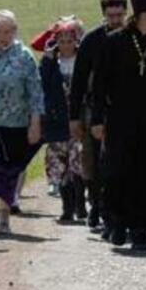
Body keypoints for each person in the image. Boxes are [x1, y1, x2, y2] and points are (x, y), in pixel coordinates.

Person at [90, 0, 146, 251]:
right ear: (143, 12)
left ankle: (141, 228)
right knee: (118, 171)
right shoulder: (114, 42)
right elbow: (100, 84)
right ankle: (117, 222)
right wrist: (96, 119)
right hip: (120, 118)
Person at [0, 10, 44, 236]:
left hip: (15, 124)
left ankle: (4, 218)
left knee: (8, 172)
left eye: (8, 31)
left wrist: (35, 123)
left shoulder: (24, 56)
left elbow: (35, 92)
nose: (3, 36)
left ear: (15, 32)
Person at [68, 0, 128, 233]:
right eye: (111, 15)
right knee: (93, 162)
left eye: (120, 15)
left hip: (124, 109)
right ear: (103, 14)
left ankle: (115, 209)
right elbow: (79, 81)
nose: (115, 20)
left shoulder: (132, 38)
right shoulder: (92, 41)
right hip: (95, 110)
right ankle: (96, 205)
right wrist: (74, 117)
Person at [38, 18, 85, 223]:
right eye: (62, 41)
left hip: (78, 119)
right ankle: (67, 208)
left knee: (79, 161)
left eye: (69, 40)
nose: (66, 45)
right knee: (61, 164)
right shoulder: (50, 63)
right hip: (57, 120)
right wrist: (47, 60)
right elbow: (43, 86)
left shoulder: (83, 60)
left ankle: (80, 204)